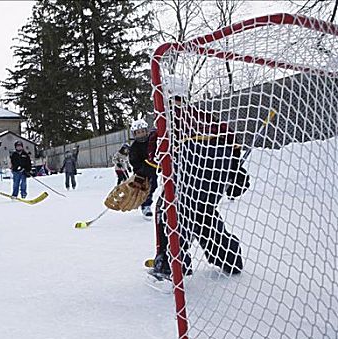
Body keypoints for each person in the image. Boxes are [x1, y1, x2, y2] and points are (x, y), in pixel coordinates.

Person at [106, 76, 248, 280]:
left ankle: (170, 265)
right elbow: (231, 143)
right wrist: (235, 173)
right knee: (204, 215)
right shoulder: (208, 119)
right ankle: (230, 258)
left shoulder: (166, 125)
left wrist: (141, 175)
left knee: (166, 214)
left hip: (183, 186)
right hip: (211, 189)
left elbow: (155, 158)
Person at [128, 119, 158, 218]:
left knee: (154, 185)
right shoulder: (134, 147)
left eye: (142, 131)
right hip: (141, 172)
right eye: (138, 132)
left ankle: (147, 202)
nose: (141, 134)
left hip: (153, 169)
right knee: (145, 189)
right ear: (135, 134)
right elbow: (134, 161)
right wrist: (141, 169)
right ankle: (146, 206)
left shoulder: (152, 141)